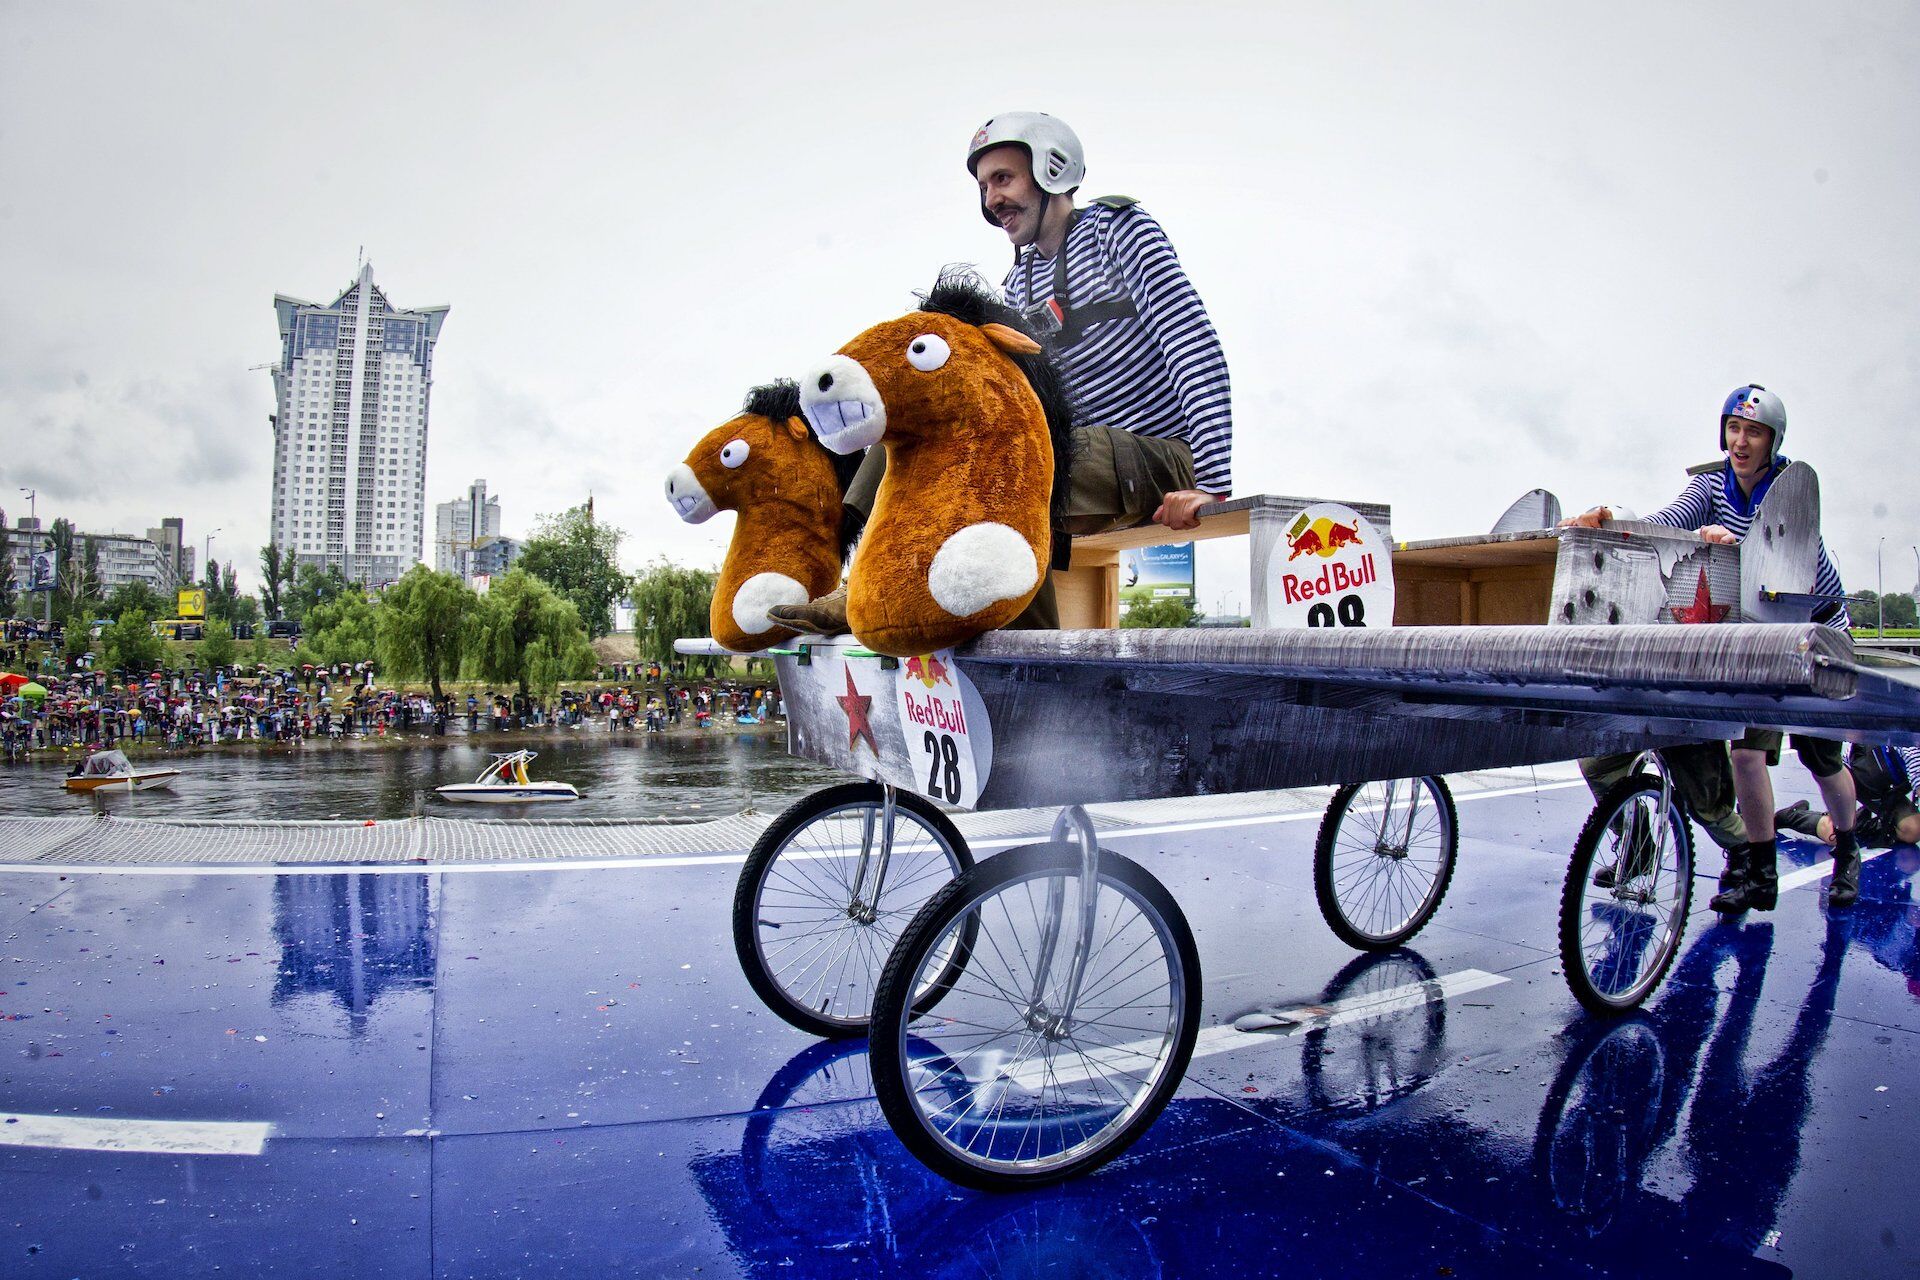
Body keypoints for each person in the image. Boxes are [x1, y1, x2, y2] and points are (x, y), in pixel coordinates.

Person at [772, 111, 1233, 634]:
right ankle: (859, 564)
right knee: (930, 430)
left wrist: (1211, 482)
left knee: (1005, 460)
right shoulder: (1019, 281)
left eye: (1003, 179)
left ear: (1052, 171)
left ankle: (869, 590)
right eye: (984, 187)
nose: (992, 199)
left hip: (1156, 456)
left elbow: (1192, 344)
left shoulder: (1119, 231)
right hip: (1071, 458)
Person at [1563, 384, 1859, 911]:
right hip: (1752, 635)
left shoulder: (1789, 496)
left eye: (1754, 432)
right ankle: (1758, 871)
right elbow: (1662, 525)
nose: (1741, 441)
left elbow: (1817, 582)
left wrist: (1742, 550)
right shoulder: (1710, 486)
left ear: (1773, 441)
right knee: (1745, 752)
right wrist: (1606, 518)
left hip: (1811, 629)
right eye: (1734, 429)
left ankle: (1848, 850)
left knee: (1822, 757)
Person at [1777, 745, 1920, 852]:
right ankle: (1793, 816)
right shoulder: (1913, 747)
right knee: (1835, 835)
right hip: (1853, 775)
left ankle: (1864, 823)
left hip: (1888, 788)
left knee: (1913, 830)